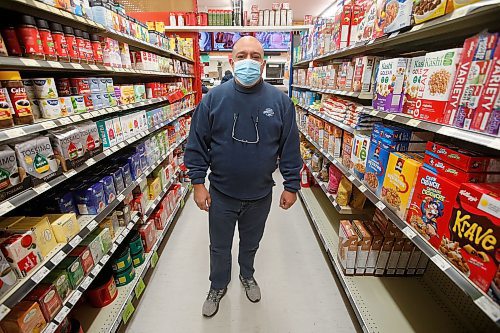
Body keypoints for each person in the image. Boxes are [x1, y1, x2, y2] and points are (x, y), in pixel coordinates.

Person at [185, 36, 302, 318]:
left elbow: (289, 146)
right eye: (241, 55)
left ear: (263, 63)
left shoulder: (281, 102)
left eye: (254, 56)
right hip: (222, 194)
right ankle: (218, 284)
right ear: (231, 61)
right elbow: (197, 143)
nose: (248, 61)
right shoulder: (213, 99)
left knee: (251, 243)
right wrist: (198, 184)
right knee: (219, 245)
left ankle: (247, 275)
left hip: (260, 195)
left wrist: (291, 185)